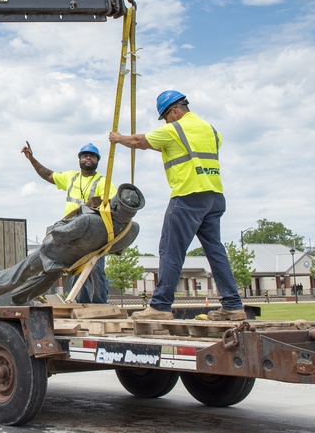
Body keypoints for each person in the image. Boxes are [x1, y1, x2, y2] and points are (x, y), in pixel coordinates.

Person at [108, 90, 245, 321]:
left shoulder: (174, 129)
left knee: (171, 250)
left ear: (174, 111)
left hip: (188, 195)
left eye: (165, 117)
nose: (165, 122)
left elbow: (138, 141)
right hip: (214, 196)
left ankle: (160, 306)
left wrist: (118, 138)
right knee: (215, 250)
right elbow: (180, 148)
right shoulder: (211, 131)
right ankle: (233, 305)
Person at [22, 141, 116, 303]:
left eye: (92, 156)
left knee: (96, 269)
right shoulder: (71, 177)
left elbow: (112, 204)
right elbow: (48, 175)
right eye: (84, 155)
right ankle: (81, 303)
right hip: (73, 233)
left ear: (97, 161)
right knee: (74, 270)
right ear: (79, 160)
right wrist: (32, 159)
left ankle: (101, 304)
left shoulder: (103, 182)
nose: (88, 158)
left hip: (94, 234)